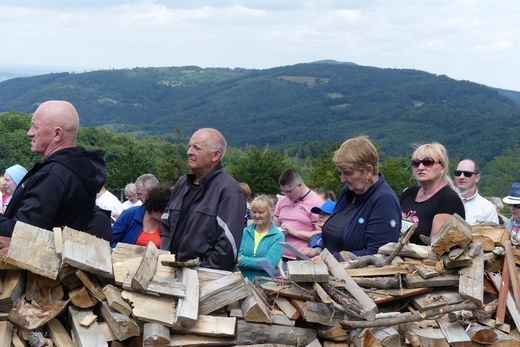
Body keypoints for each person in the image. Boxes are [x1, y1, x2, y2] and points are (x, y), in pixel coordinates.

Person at [0, 100, 106, 236]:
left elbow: (23, 233)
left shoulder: (52, 176)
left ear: (57, 134)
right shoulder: (78, 171)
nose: (29, 133)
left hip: (39, 256)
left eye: (35, 127)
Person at [300, 136, 401, 259]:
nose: (342, 179)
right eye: (341, 172)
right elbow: (334, 239)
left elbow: (379, 254)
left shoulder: (384, 201)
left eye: (347, 173)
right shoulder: (348, 192)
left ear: (368, 170)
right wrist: (318, 250)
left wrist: (330, 259)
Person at [160, 128, 246, 271]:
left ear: (215, 155)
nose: (189, 152)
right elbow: (166, 224)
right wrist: (165, 257)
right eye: (189, 146)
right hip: (173, 272)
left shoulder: (229, 190)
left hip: (207, 280)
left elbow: (228, 247)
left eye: (196, 148)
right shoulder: (182, 184)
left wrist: (200, 270)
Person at [400, 142, 465, 245]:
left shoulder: (449, 200)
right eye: (416, 163)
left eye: (428, 162)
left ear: (442, 167)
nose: (420, 167)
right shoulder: (408, 194)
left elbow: (435, 247)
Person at [273, 169, 324, 260]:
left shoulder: (317, 203)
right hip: (278, 256)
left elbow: (321, 235)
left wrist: (295, 232)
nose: (286, 195)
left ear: (299, 185)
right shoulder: (282, 201)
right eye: (283, 192)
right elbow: (274, 225)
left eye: (289, 191)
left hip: (301, 258)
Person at [238, 195, 285, 282]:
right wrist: (260, 262)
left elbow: (269, 264)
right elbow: (236, 258)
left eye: (261, 212)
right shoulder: (244, 232)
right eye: (254, 212)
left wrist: (242, 260)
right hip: (243, 283)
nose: (256, 215)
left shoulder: (278, 236)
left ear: (271, 211)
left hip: (266, 285)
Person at [454, 159, 498, 225]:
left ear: (477, 178)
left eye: (467, 174)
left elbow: (494, 234)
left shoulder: (487, 208)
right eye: (458, 173)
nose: (461, 177)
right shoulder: (444, 202)